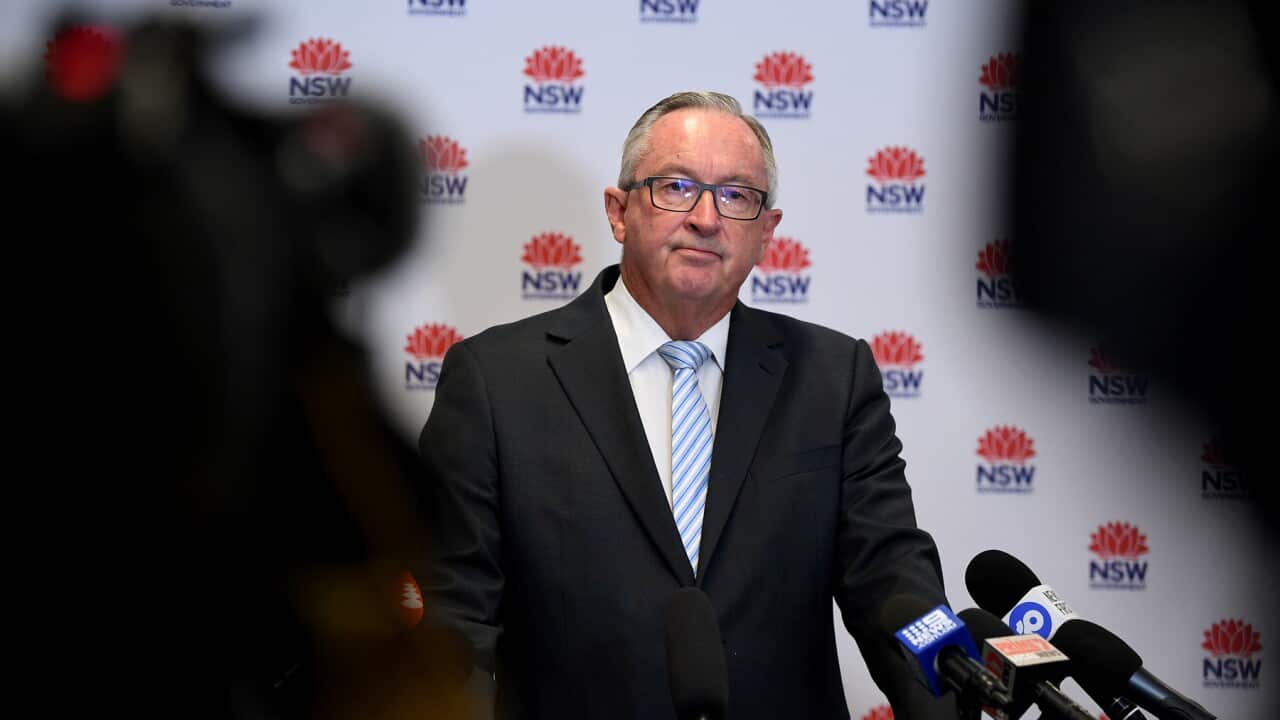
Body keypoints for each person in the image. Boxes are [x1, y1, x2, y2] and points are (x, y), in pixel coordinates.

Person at [419, 91, 950, 719]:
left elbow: (892, 577)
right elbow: (456, 620)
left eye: (736, 196)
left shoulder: (833, 379)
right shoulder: (495, 380)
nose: (706, 217)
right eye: (675, 187)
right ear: (618, 213)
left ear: (767, 234)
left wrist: (949, 689)